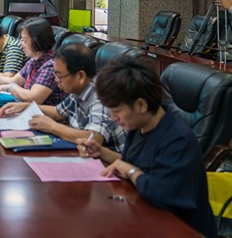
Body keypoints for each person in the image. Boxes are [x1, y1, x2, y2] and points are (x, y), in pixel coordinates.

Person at [78, 56, 217, 238]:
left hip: (180, 228)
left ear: (141, 105)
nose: (113, 117)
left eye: (117, 111)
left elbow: (160, 192)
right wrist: (101, 152)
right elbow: (134, 164)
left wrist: (131, 172)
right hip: (144, 214)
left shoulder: (178, 140)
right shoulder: (139, 126)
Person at [0, 42, 125, 152]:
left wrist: (52, 126)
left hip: (107, 163)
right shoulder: (78, 89)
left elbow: (94, 138)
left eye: (59, 75)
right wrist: (25, 106)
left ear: (80, 76)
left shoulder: (100, 96)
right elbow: (57, 112)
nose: (56, 80)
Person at [0, 17, 65, 105]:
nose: (21, 43)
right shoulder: (33, 60)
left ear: (37, 41)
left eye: (24, 40)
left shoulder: (50, 65)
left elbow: (33, 98)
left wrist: (11, 88)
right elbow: (13, 80)